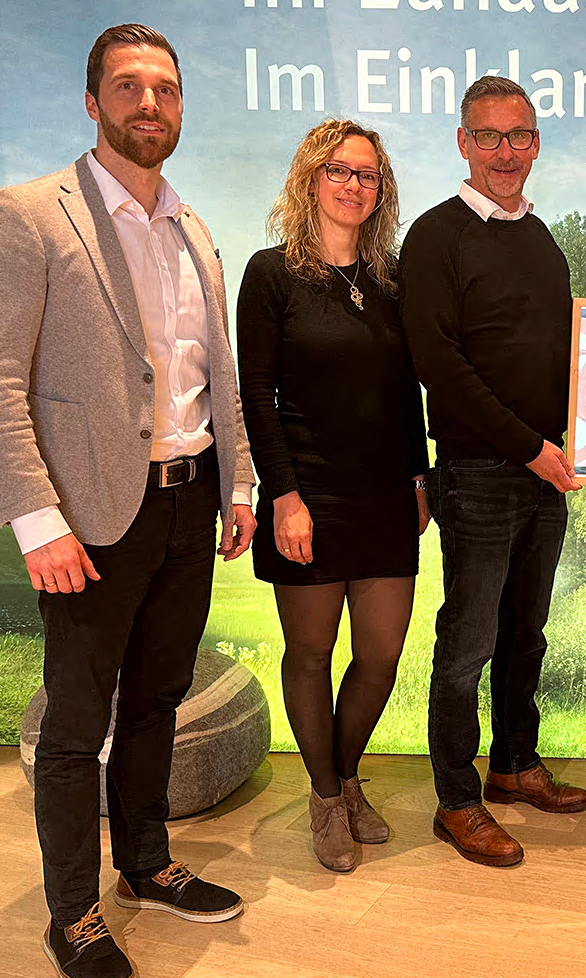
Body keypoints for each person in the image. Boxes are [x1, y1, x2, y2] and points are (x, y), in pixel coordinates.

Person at [0, 24, 255, 978]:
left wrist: (237, 482)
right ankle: (73, 917)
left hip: (188, 503)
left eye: (164, 88)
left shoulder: (193, 229)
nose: (148, 102)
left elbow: (214, 374)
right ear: (93, 103)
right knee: (76, 725)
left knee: (160, 698)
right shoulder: (26, 216)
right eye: (127, 86)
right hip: (86, 520)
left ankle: (146, 865)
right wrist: (36, 521)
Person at [399, 75, 586, 867]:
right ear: (464, 143)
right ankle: (456, 800)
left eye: (519, 136)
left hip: (544, 470)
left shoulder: (541, 239)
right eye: (488, 136)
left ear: (535, 143)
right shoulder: (434, 236)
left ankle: (513, 764)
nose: (505, 152)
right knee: (468, 641)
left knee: (525, 633)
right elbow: (440, 367)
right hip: (479, 472)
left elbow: (559, 354)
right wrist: (530, 448)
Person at [235, 119, 428, 874]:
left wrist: (419, 477)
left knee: (380, 655)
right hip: (308, 494)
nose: (353, 184)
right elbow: (256, 394)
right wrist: (283, 496)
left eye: (367, 174)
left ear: (382, 190)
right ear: (310, 178)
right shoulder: (271, 274)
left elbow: (407, 392)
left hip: (385, 495)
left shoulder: (391, 281)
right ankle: (323, 797)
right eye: (339, 170)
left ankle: (348, 778)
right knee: (311, 654)